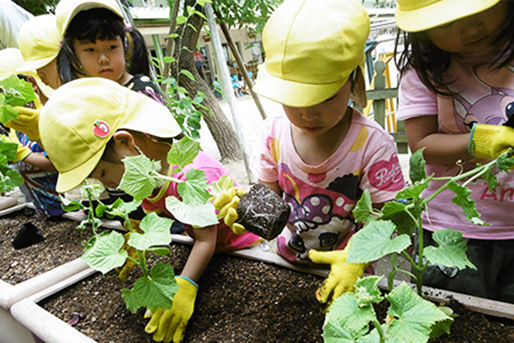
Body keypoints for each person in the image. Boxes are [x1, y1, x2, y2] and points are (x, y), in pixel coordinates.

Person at [38, 77, 263, 343]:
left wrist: (186, 284)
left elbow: (206, 239)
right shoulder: (150, 177)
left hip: (246, 246)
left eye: (102, 173)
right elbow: (156, 214)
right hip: (215, 248)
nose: (106, 183)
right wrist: (139, 236)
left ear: (126, 142)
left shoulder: (190, 175)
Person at [251, 0, 405, 304]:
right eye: (294, 99)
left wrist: (355, 260)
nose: (308, 113)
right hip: (285, 264)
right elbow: (265, 195)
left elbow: (389, 218)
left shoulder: (373, 145)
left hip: (351, 273)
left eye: (324, 97)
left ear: (353, 80)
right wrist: (244, 210)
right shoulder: (273, 134)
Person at [394, 0, 514, 302]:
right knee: (455, 319)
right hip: (450, 230)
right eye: (447, 23)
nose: (469, 28)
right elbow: (421, 145)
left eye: (478, 10)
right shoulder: (425, 69)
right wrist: (476, 142)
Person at [55, 0, 164, 104]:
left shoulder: (142, 93)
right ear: (73, 56)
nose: (103, 59)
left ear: (125, 47)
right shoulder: (74, 99)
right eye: (90, 50)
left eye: (112, 47)